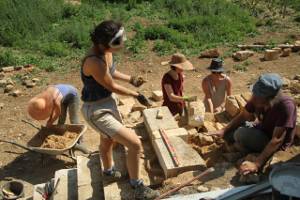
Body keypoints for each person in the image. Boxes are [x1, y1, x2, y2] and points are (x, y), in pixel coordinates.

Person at [80, 20, 158, 199]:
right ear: (105, 43)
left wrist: (131, 79)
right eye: (119, 41)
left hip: (107, 102)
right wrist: (135, 94)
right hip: (96, 111)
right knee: (134, 144)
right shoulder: (93, 62)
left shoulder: (105, 52)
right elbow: (112, 85)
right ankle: (137, 187)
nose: (122, 44)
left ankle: (108, 171)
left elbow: (111, 72)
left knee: (108, 141)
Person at [212, 73, 297, 176]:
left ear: (270, 98)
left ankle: (248, 151)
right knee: (230, 133)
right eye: (255, 93)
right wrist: (224, 130)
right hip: (262, 129)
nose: (254, 98)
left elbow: (277, 139)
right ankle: (243, 147)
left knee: (240, 133)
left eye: (258, 96)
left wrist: (257, 164)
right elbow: (244, 115)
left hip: (273, 142)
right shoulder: (258, 99)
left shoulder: (286, 106)